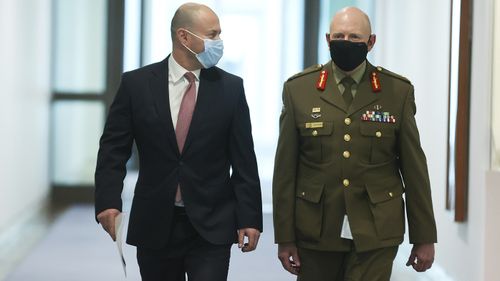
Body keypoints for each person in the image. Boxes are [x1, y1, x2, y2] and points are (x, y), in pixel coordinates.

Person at [94, 3, 263, 281]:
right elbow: (113, 149)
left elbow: (244, 160)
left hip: (212, 224)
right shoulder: (136, 85)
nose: (219, 42)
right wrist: (107, 201)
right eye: (212, 35)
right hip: (155, 222)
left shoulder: (231, 89)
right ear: (184, 37)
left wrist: (249, 218)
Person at [272, 6, 437, 281]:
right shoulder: (299, 90)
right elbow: (285, 172)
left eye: (354, 37)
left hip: (377, 230)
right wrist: (285, 237)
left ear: (371, 42)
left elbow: (414, 168)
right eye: (339, 36)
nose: (345, 43)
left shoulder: (397, 91)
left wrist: (424, 236)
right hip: (316, 229)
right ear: (327, 40)